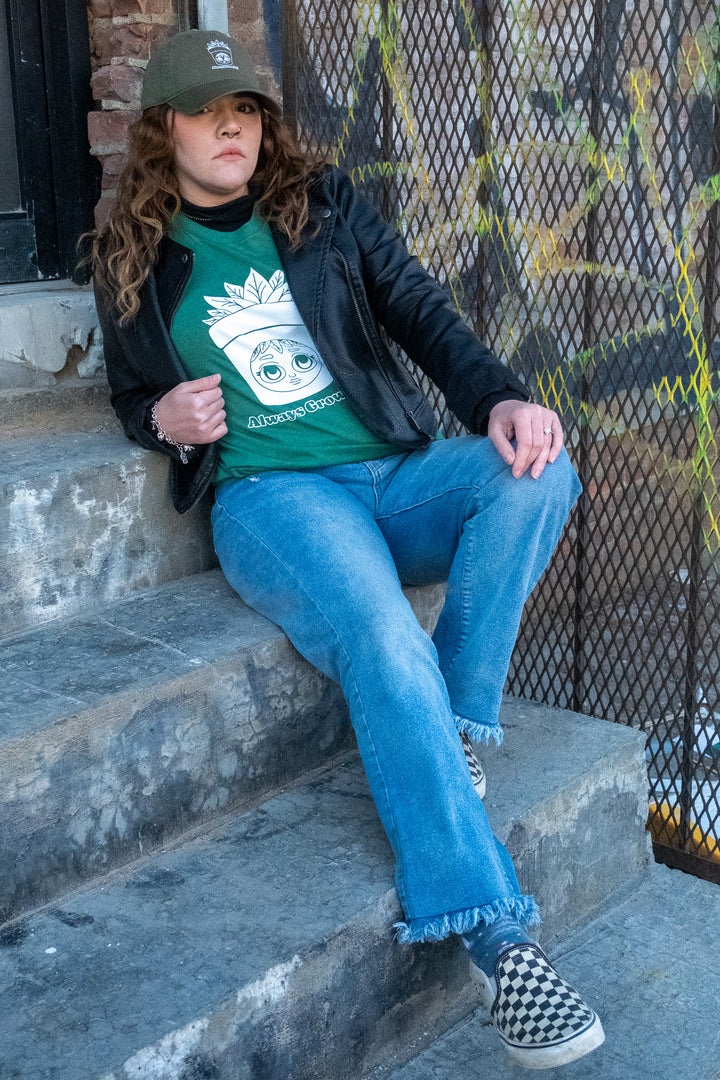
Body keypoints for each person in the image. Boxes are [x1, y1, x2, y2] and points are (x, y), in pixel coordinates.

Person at [89, 28, 603, 1069]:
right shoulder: (132, 254)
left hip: (389, 469)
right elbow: (131, 396)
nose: (230, 125)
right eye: (203, 109)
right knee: (376, 629)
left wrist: (500, 398)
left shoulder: (321, 206)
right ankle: (498, 938)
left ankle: (453, 726)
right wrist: (162, 422)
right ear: (163, 129)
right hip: (273, 499)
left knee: (540, 471)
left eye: (244, 106)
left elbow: (420, 311)